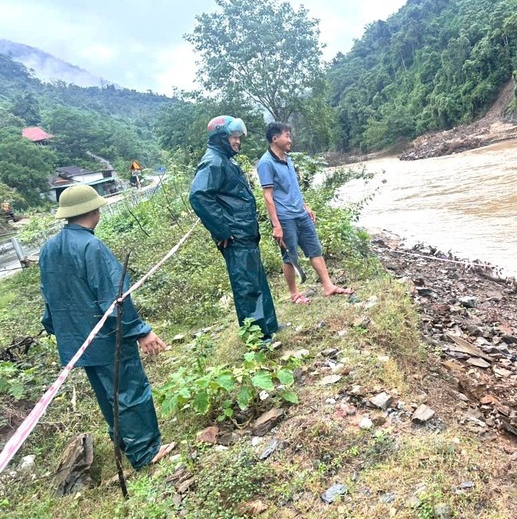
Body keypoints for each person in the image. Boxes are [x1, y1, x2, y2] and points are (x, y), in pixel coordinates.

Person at [39, 184, 172, 470]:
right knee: (130, 391)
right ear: (94, 210)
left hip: (79, 340)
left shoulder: (48, 249)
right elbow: (115, 298)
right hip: (107, 338)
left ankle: (125, 444)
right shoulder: (91, 246)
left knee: (107, 395)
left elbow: (49, 297)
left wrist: (55, 328)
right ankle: (146, 451)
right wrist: (140, 331)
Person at [189, 115, 279, 338]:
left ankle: (270, 326)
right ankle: (257, 338)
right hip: (235, 235)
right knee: (246, 287)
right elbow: (199, 196)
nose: (238, 142)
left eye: (239, 137)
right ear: (220, 137)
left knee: (257, 280)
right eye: (233, 137)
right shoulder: (213, 162)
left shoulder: (227, 159)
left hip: (246, 232)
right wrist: (221, 229)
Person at [257, 122, 353, 304]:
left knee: (314, 249)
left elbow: (293, 187)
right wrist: (276, 225)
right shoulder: (266, 163)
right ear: (275, 138)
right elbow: (268, 196)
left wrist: (305, 205)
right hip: (284, 217)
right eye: (287, 136)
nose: (290, 140)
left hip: (300, 214)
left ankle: (328, 286)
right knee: (290, 256)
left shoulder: (288, 159)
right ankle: (294, 294)